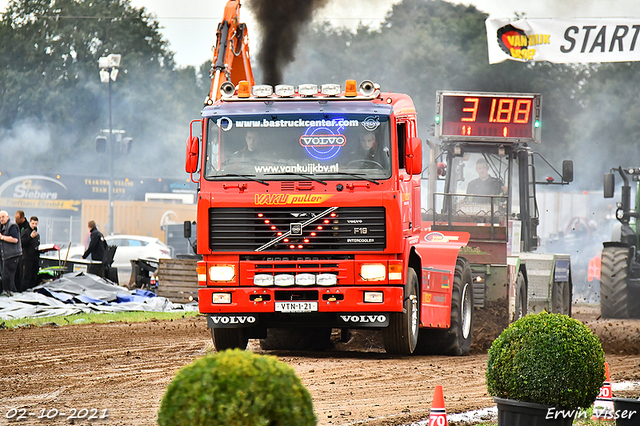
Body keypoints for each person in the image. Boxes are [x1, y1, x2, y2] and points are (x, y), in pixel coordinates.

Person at [0, 210, 23, 295]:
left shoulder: (12, 226)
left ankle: (10, 293)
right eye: (0, 218)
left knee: (8, 277)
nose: (1, 219)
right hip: (5, 255)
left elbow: (15, 239)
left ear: (8, 217)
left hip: (12, 255)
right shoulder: (2, 227)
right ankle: (7, 292)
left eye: (3, 217)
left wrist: (2, 237)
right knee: (4, 276)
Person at [21, 216, 40, 291]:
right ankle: (24, 290)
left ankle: (32, 289)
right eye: (33, 223)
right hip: (27, 257)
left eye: (36, 223)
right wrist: (30, 237)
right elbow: (22, 243)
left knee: (34, 275)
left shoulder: (37, 234)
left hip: (35, 257)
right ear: (30, 223)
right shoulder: (25, 232)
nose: (34, 225)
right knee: (26, 276)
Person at [14, 210, 28, 287]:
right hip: (16, 253)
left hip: (24, 254)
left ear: (22, 218)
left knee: (22, 274)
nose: (16, 221)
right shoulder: (15, 226)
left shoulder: (26, 228)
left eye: (17, 219)